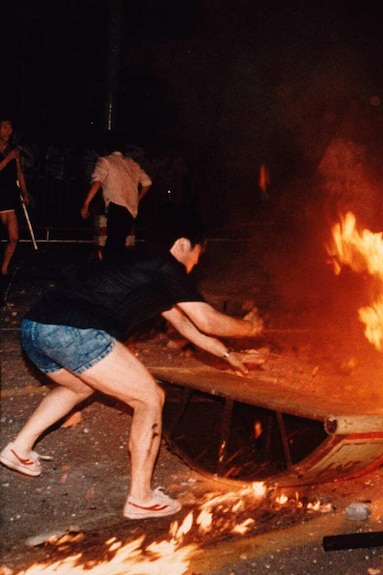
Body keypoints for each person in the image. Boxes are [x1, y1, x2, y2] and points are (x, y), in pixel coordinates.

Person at [0, 207, 264, 520]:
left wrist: (229, 356)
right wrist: (251, 328)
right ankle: (140, 498)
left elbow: (188, 327)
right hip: (76, 332)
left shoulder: (141, 265)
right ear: (183, 244)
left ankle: (19, 449)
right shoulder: (167, 267)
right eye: (197, 255)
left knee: (79, 387)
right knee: (150, 398)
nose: (195, 264)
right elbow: (207, 320)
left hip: (37, 328)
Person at [81, 141, 151, 263]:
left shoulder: (105, 161)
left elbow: (97, 182)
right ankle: (115, 271)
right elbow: (147, 183)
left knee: (113, 244)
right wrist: (137, 199)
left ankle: (110, 272)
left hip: (116, 206)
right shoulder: (132, 164)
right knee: (118, 243)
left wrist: (86, 204)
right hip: (131, 210)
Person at [0, 117, 29, 276]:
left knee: (14, 236)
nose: (8, 130)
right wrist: (8, 158)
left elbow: (19, 172)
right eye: (4, 127)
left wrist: (24, 191)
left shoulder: (13, 149)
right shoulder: (9, 153)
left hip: (8, 195)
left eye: (10, 127)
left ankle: (4, 268)